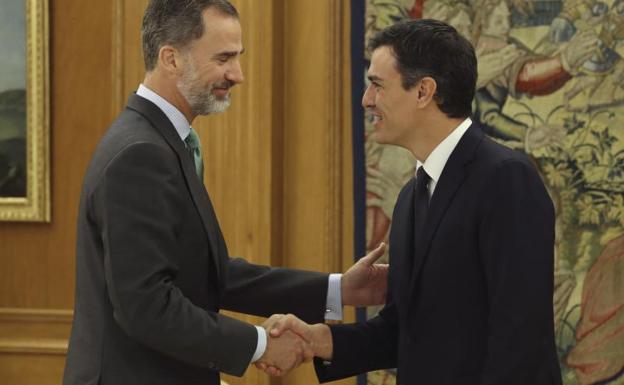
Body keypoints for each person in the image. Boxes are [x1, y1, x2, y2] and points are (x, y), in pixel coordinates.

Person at [62, 1, 389, 385]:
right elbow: (145, 306)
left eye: (238, 57)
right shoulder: (140, 153)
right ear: (170, 58)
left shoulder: (161, 142)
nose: (238, 75)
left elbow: (208, 275)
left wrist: (338, 289)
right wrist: (260, 344)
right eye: (224, 58)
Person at [263, 19, 562, 385]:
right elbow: (404, 332)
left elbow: (520, 344)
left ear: (423, 92)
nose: (366, 100)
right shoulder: (411, 196)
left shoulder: (506, 179)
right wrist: (316, 341)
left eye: (377, 86)